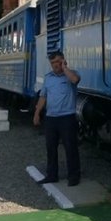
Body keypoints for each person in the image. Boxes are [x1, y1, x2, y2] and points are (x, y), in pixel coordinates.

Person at [34, 51, 82, 186]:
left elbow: (75, 80)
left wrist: (65, 68)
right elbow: (43, 96)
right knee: (51, 148)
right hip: (51, 118)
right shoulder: (48, 78)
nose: (55, 65)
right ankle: (51, 175)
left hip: (67, 117)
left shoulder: (71, 74)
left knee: (70, 148)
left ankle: (73, 176)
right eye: (53, 63)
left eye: (58, 62)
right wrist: (37, 113)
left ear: (63, 61)